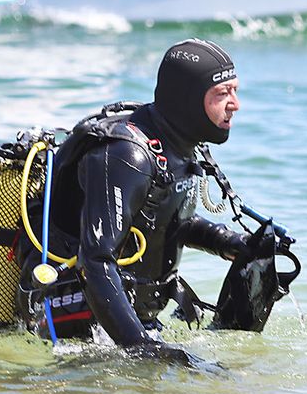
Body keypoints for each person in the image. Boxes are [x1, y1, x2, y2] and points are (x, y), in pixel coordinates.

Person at [19, 38, 290, 365]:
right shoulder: (125, 155)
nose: (235, 104)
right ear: (187, 99)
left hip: (125, 321)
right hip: (75, 320)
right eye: (222, 94)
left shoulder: (180, 144)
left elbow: (164, 221)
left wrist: (233, 243)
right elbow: (95, 260)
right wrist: (142, 349)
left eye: (235, 91)